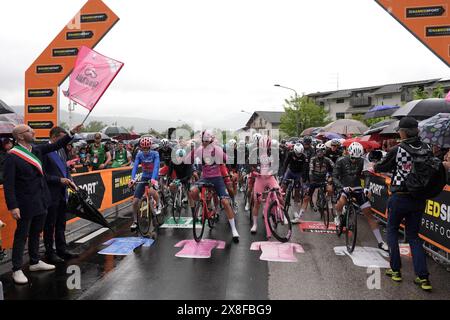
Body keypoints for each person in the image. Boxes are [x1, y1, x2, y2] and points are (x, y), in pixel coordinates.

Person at [3, 123, 82, 284]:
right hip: (24, 202)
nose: (33, 132)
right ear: (19, 136)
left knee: (36, 232)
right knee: (21, 235)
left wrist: (71, 132)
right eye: (29, 131)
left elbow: (57, 144)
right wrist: (13, 206)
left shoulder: (37, 149)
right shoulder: (12, 156)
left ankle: (34, 261)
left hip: (41, 199)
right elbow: (9, 184)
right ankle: (16, 269)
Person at [373, 117, 432, 291]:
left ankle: (396, 270)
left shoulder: (397, 149)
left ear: (404, 132)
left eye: (399, 130)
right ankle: (423, 278)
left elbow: (380, 167)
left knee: (391, 231)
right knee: (414, 236)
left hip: (400, 196)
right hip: (419, 198)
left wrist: (376, 166)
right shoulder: (427, 148)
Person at [333, 142, 389, 252]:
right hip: (344, 187)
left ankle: (380, 242)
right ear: (349, 153)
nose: (355, 160)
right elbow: (334, 176)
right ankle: (338, 216)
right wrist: (341, 187)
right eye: (353, 158)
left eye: (357, 158)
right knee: (341, 203)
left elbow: (367, 174)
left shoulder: (363, 161)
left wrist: (367, 187)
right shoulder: (341, 160)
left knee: (369, 214)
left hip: (357, 188)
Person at [188, 129, 240, 243]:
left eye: (206, 141)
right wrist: (193, 150)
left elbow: (228, 160)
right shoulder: (200, 149)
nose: (204, 143)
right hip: (205, 178)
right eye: (203, 141)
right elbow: (188, 159)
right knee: (192, 192)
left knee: (225, 202)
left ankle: (234, 230)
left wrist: (230, 170)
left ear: (211, 141)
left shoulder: (217, 150)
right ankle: (203, 204)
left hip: (217, 178)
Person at [42, 127, 79, 264]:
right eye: (63, 138)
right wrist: (58, 180)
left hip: (62, 193)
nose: (65, 141)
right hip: (50, 193)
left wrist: (71, 182)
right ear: (55, 137)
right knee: (50, 224)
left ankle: (62, 249)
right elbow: (42, 174)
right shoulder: (44, 150)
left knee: (61, 223)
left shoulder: (62, 150)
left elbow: (65, 169)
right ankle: (49, 252)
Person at [249, 137, 284, 234]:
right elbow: (250, 165)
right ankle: (255, 224)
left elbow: (277, 165)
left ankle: (283, 214)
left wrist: (273, 171)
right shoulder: (254, 152)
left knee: (279, 193)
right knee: (257, 201)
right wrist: (254, 171)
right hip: (260, 178)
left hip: (270, 177)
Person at [128, 137, 161, 233]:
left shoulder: (155, 154)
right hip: (144, 177)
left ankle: (158, 204)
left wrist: (154, 179)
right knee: (135, 202)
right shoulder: (139, 155)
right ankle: (135, 221)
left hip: (154, 176)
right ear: (141, 148)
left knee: (151, 191)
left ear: (150, 147)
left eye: (147, 148)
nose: (145, 150)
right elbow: (134, 167)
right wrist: (132, 179)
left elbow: (156, 167)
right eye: (144, 148)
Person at [300, 143, 334, 218]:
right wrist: (311, 180)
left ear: (324, 152)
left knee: (330, 190)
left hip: (324, 179)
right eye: (318, 151)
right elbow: (310, 170)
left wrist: (331, 177)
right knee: (306, 198)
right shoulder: (313, 159)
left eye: (322, 151)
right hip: (314, 180)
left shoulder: (328, 160)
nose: (320, 153)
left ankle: (331, 208)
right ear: (316, 151)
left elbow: (335, 168)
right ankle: (300, 216)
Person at [282, 143, 308, 223]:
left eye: (300, 154)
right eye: (297, 154)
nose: (298, 155)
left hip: (298, 174)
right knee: (283, 187)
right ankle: (281, 203)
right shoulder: (290, 153)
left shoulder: (304, 157)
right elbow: (286, 163)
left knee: (297, 192)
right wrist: (283, 174)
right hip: (290, 172)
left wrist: (304, 179)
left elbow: (305, 169)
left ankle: (295, 211)